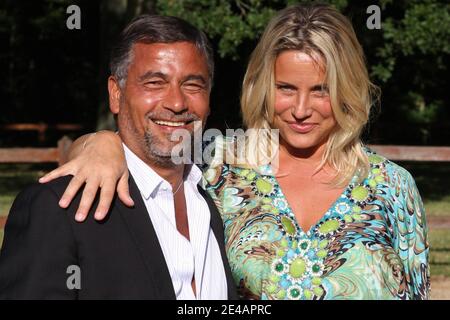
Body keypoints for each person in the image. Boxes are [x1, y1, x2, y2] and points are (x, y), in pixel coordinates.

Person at [38, 4, 430, 300]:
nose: (300, 110)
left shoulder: (393, 188)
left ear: (347, 90)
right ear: (263, 86)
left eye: (321, 90)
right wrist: (100, 143)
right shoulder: (219, 165)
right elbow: (146, 144)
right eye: (287, 88)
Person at [0, 15, 238, 300]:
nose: (176, 103)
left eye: (192, 85)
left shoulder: (217, 196)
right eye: (154, 83)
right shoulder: (58, 207)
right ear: (116, 93)